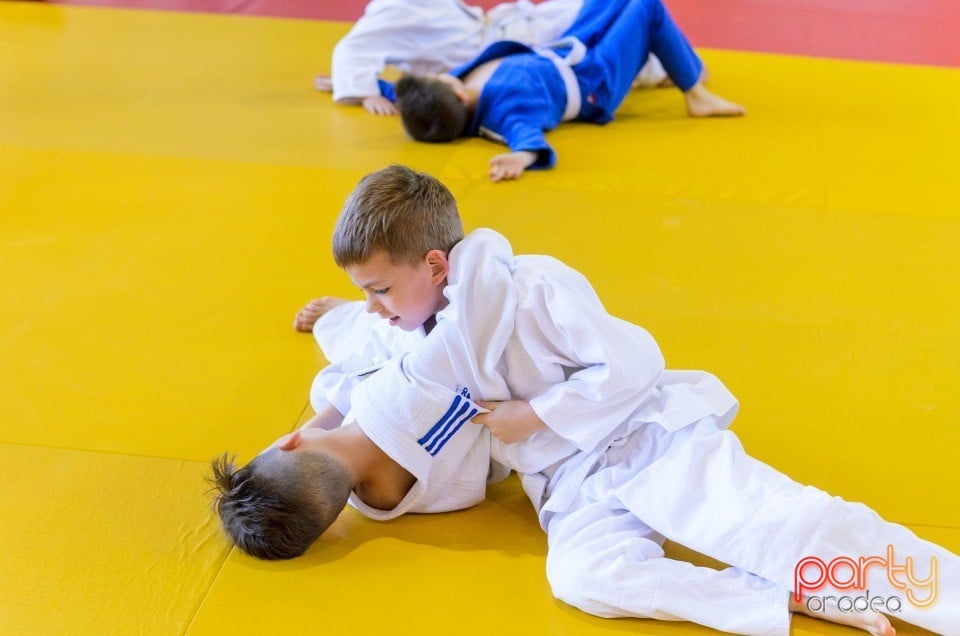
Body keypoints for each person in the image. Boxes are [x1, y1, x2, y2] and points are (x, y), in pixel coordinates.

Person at [213, 166, 959, 636]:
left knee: (777, 522)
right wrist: (339, 319)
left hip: (641, 437)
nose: (376, 307)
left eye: (378, 290)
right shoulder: (412, 343)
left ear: (436, 264)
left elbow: (635, 362)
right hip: (567, 486)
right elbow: (368, 356)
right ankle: (778, 599)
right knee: (584, 580)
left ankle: (929, 593)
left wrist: (531, 415)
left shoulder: (528, 286)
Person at [389, 0, 744, 181]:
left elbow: (408, 94)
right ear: (460, 98)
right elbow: (526, 138)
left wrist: (367, 89)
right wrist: (520, 159)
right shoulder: (504, 112)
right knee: (645, 7)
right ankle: (695, 92)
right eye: (444, 79)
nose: (445, 74)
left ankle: (686, 66)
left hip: (570, 48)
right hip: (596, 82)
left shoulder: (452, 88)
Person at [315, 0, 668, 115]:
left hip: (500, 29)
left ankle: (662, 54)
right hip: (496, 53)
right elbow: (352, 48)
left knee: (584, 8)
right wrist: (365, 91)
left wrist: (361, 80)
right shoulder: (391, 11)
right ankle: (659, 66)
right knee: (592, 27)